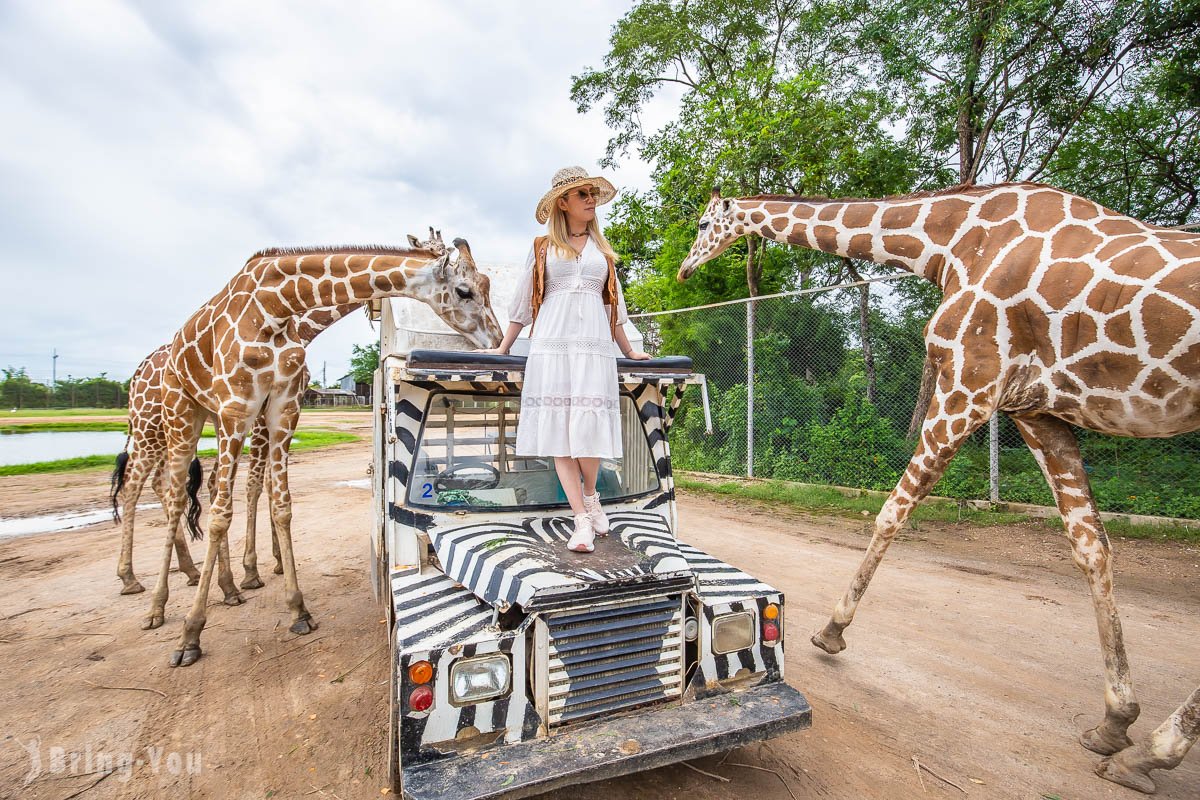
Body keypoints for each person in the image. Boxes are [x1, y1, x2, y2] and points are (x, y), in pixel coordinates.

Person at [479, 165, 651, 553]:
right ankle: (581, 521)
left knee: (587, 434)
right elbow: (523, 302)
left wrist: (629, 351)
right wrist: (503, 348)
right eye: (583, 194)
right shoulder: (542, 247)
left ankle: (591, 496)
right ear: (563, 202)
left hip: (593, 350)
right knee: (561, 436)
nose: (591, 200)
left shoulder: (602, 251)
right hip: (552, 348)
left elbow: (614, 308)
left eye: (593, 194)